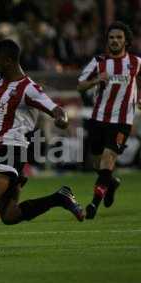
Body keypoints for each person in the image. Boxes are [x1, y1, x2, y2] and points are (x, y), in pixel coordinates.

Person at [0, 39, 84, 258]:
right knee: (10, 215)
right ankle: (60, 197)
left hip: (11, 148)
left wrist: (61, 119)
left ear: (8, 61)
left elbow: (56, 109)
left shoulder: (28, 89)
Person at [77, 21, 141, 219]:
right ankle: (111, 183)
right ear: (107, 41)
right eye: (112, 37)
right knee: (97, 164)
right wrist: (97, 80)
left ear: (126, 41)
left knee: (108, 159)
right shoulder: (98, 62)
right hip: (99, 118)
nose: (115, 41)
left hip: (122, 121)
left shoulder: (136, 62)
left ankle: (94, 204)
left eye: (119, 37)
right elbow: (80, 86)